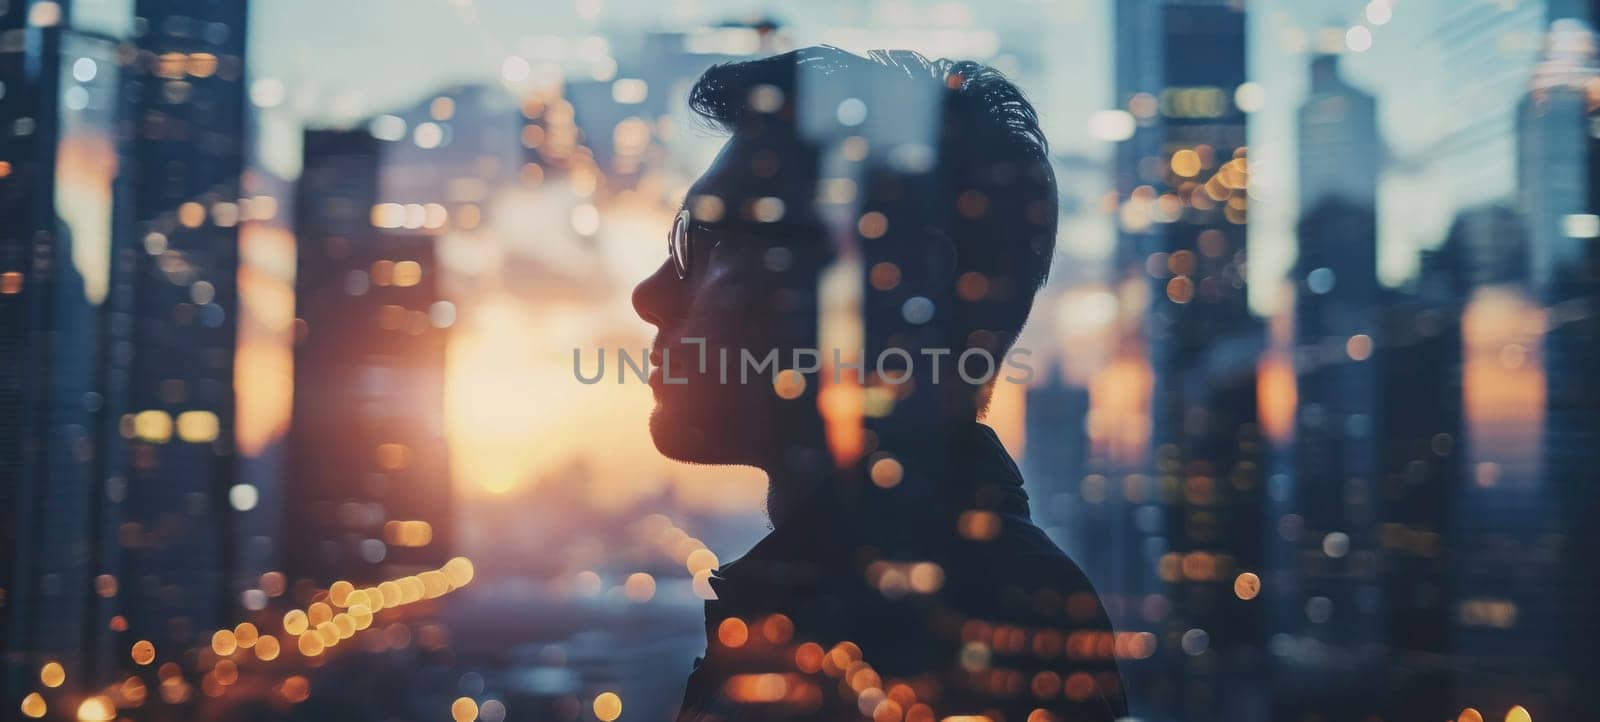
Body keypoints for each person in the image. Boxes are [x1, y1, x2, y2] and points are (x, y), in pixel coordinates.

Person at [632, 46, 1128, 722]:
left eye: (712, 241)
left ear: (899, 285)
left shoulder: (932, 641)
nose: (650, 295)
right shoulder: (914, 610)